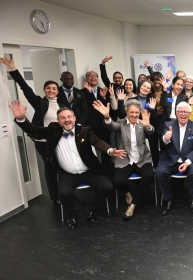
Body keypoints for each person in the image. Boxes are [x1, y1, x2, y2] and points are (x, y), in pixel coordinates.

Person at [9, 101, 126, 229]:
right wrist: (21, 118)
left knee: (107, 187)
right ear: (58, 121)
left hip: (89, 171)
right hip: (67, 174)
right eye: (63, 118)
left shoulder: (85, 131)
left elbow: (98, 143)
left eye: (69, 117)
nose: (67, 120)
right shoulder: (53, 131)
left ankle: (90, 208)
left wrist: (110, 150)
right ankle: (72, 215)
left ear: (74, 118)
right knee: (64, 193)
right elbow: (33, 130)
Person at [0, 57, 65, 205]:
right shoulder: (40, 103)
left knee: (62, 166)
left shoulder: (62, 104)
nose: (51, 90)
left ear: (58, 91)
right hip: (45, 142)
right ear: (44, 90)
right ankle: (56, 197)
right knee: (50, 169)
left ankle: (65, 192)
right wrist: (13, 69)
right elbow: (25, 88)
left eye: (54, 88)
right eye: (48, 88)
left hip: (61, 141)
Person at [94, 99, 155, 220]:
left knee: (149, 175)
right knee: (117, 181)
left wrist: (147, 125)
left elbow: (151, 132)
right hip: (125, 159)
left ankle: (133, 204)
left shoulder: (142, 123)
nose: (134, 115)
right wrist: (107, 117)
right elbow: (111, 125)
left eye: (136, 112)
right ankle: (127, 191)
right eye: (131, 112)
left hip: (142, 159)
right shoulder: (121, 123)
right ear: (127, 112)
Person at [156, 102, 193, 215]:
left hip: (190, 160)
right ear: (176, 113)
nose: (183, 114)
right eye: (181, 112)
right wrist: (166, 138)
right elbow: (164, 143)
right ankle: (168, 199)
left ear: (190, 113)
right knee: (159, 172)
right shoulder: (168, 125)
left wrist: (187, 162)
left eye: (186, 112)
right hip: (171, 159)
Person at [81, 71, 112, 172]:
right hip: (89, 126)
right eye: (90, 76)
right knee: (89, 151)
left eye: (95, 76)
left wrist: (103, 97)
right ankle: (96, 172)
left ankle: (107, 173)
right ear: (86, 79)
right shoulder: (81, 92)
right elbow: (86, 107)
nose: (93, 77)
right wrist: (90, 93)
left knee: (106, 150)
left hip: (103, 126)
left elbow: (108, 106)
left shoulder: (103, 90)